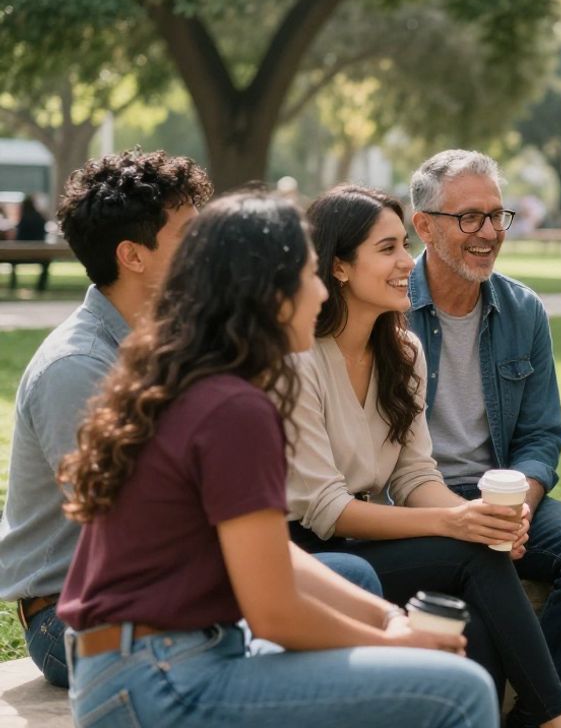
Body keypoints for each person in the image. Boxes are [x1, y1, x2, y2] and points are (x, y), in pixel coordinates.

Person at [56, 192, 498, 727]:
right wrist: (397, 643)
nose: (319, 293)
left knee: (357, 587)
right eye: (310, 276)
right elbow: (274, 613)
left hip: (133, 666)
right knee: (460, 690)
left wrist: (389, 620)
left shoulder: (193, 379)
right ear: (270, 292)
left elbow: (276, 559)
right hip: (160, 676)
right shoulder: (234, 408)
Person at [0, 152, 377, 688]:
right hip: (75, 621)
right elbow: (134, 528)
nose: (207, 251)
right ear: (132, 256)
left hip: (169, 583)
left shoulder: (171, 345)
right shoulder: (78, 368)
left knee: (355, 576)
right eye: (189, 236)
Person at [288, 185, 561, 728]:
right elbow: (326, 510)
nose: (407, 262)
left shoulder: (404, 352)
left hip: (363, 539)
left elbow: (413, 473)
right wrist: (456, 521)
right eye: (387, 249)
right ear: (338, 267)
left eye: (404, 245)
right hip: (304, 555)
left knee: (475, 595)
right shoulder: (298, 361)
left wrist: (479, 520)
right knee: (473, 555)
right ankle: (559, 719)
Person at [406, 150, 561, 727]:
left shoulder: (521, 308)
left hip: (503, 487)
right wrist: (470, 517)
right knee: (480, 589)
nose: (488, 233)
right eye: (469, 218)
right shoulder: (390, 308)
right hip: (415, 496)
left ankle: (531, 716)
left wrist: (520, 508)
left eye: (497, 216)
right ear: (423, 224)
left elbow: (541, 433)